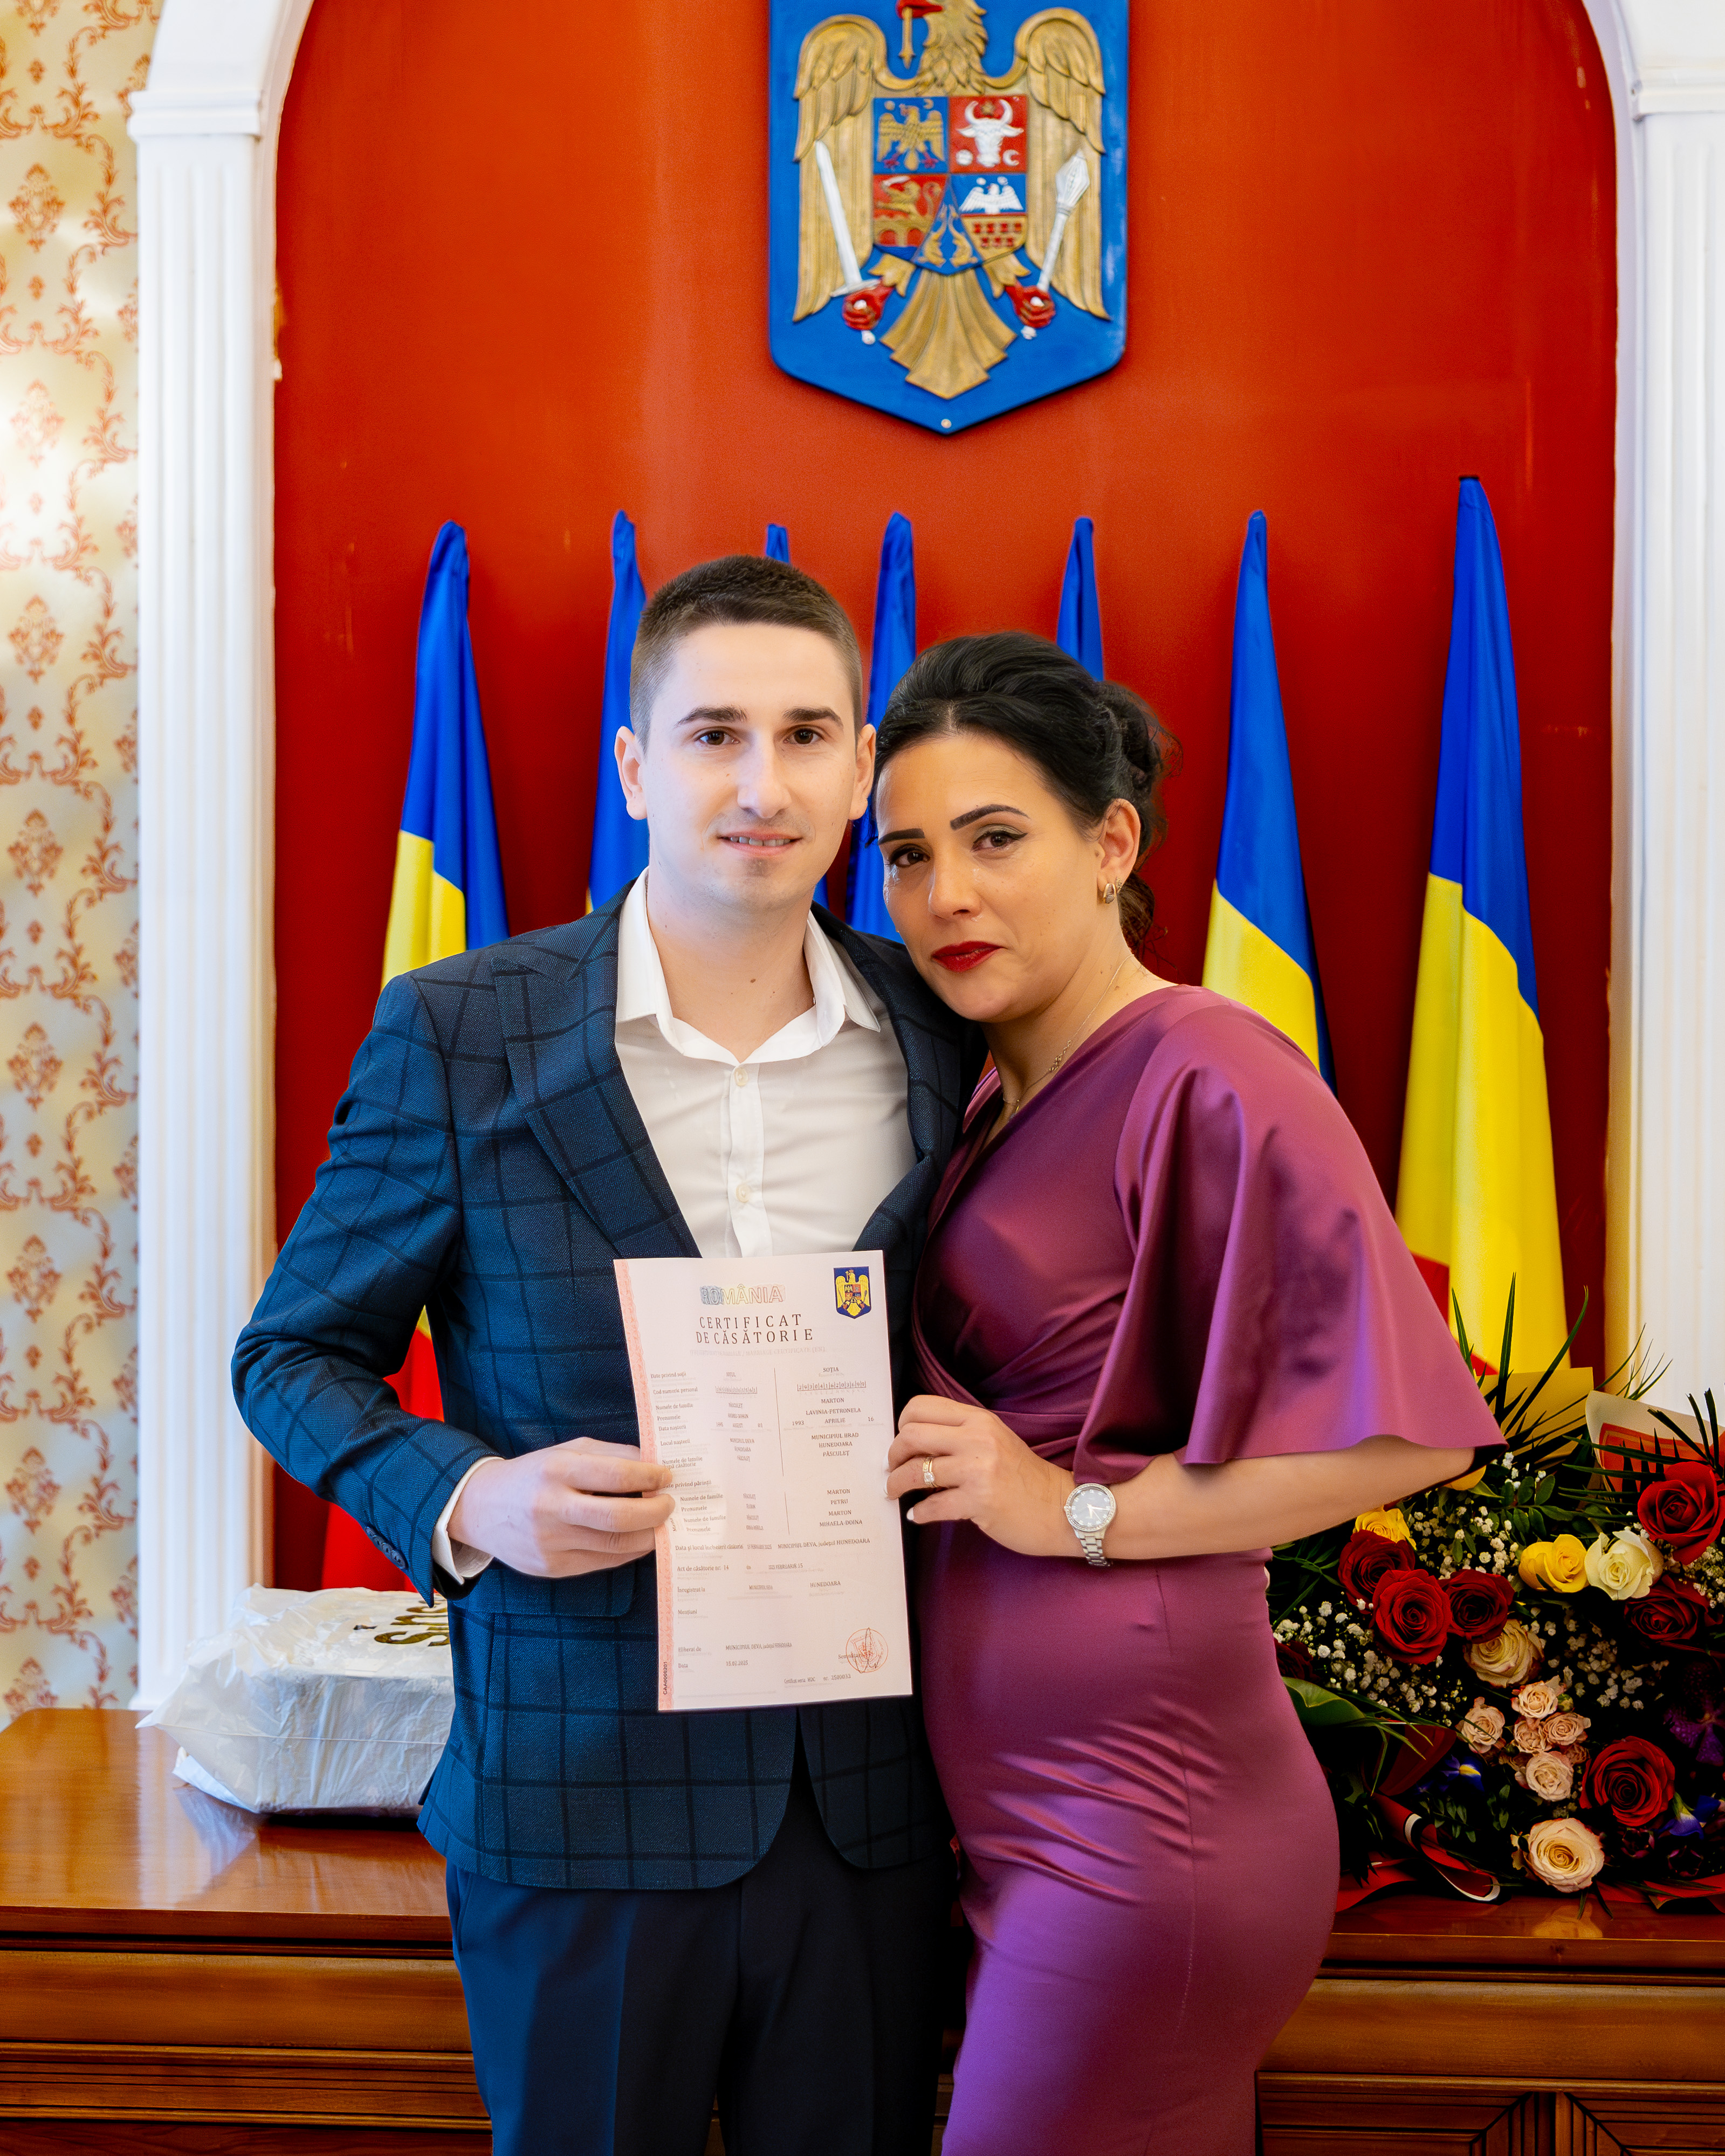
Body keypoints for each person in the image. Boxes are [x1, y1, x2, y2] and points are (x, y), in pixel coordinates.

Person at [233, 556, 984, 2156]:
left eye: (806, 736)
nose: (762, 785)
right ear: (636, 765)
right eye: (714, 735)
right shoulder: (461, 1030)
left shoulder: (948, 1036)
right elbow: (291, 1356)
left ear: (864, 768)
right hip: (576, 1799)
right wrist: (476, 1500)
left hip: (871, 1803)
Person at [868, 632, 1504, 2156]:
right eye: (907, 854)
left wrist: (1067, 1509)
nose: (945, 894)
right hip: (1013, 1815)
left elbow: (1411, 1436)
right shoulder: (980, 1089)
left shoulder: (1212, 1069)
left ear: (1112, 843)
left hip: (1146, 1815)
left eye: (995, 838)